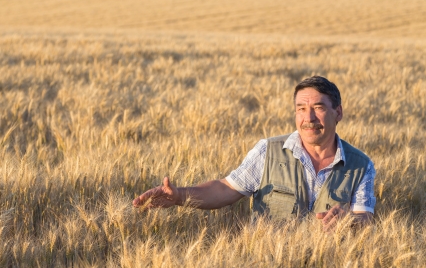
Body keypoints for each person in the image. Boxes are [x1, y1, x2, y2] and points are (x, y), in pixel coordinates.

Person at [133, 76, 376, 231]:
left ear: (338, 113)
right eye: (301, 109)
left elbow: (365, 218)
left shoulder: (360, 165)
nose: (308, 118)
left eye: (318, 108)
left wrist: (349, 220)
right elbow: (225, 189)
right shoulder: (268, 152)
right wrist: (179, 196)